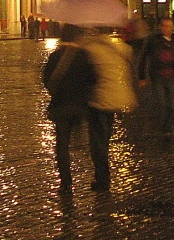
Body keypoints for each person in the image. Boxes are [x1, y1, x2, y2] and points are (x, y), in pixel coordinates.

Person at [43, 24, 136, 194]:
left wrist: (56, 93)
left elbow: (46, 79)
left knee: (62, 145)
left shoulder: (56, 56)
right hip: (81, 106)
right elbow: (91, 79)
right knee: (97, 141)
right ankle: (101, 177)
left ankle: (66, 182)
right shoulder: (86, 55)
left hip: (61, 106)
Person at [138, 16, 174, 137]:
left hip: (171, 75)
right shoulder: (153, 40)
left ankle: (168, 126)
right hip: (157, 76)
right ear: (160, 27)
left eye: (169, 26)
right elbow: (143, 57)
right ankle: (165, 128)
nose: (167, 29)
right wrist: (142, 77)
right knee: (161, 103)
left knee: (171, 104)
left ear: (173, 27)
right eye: (164, 26)